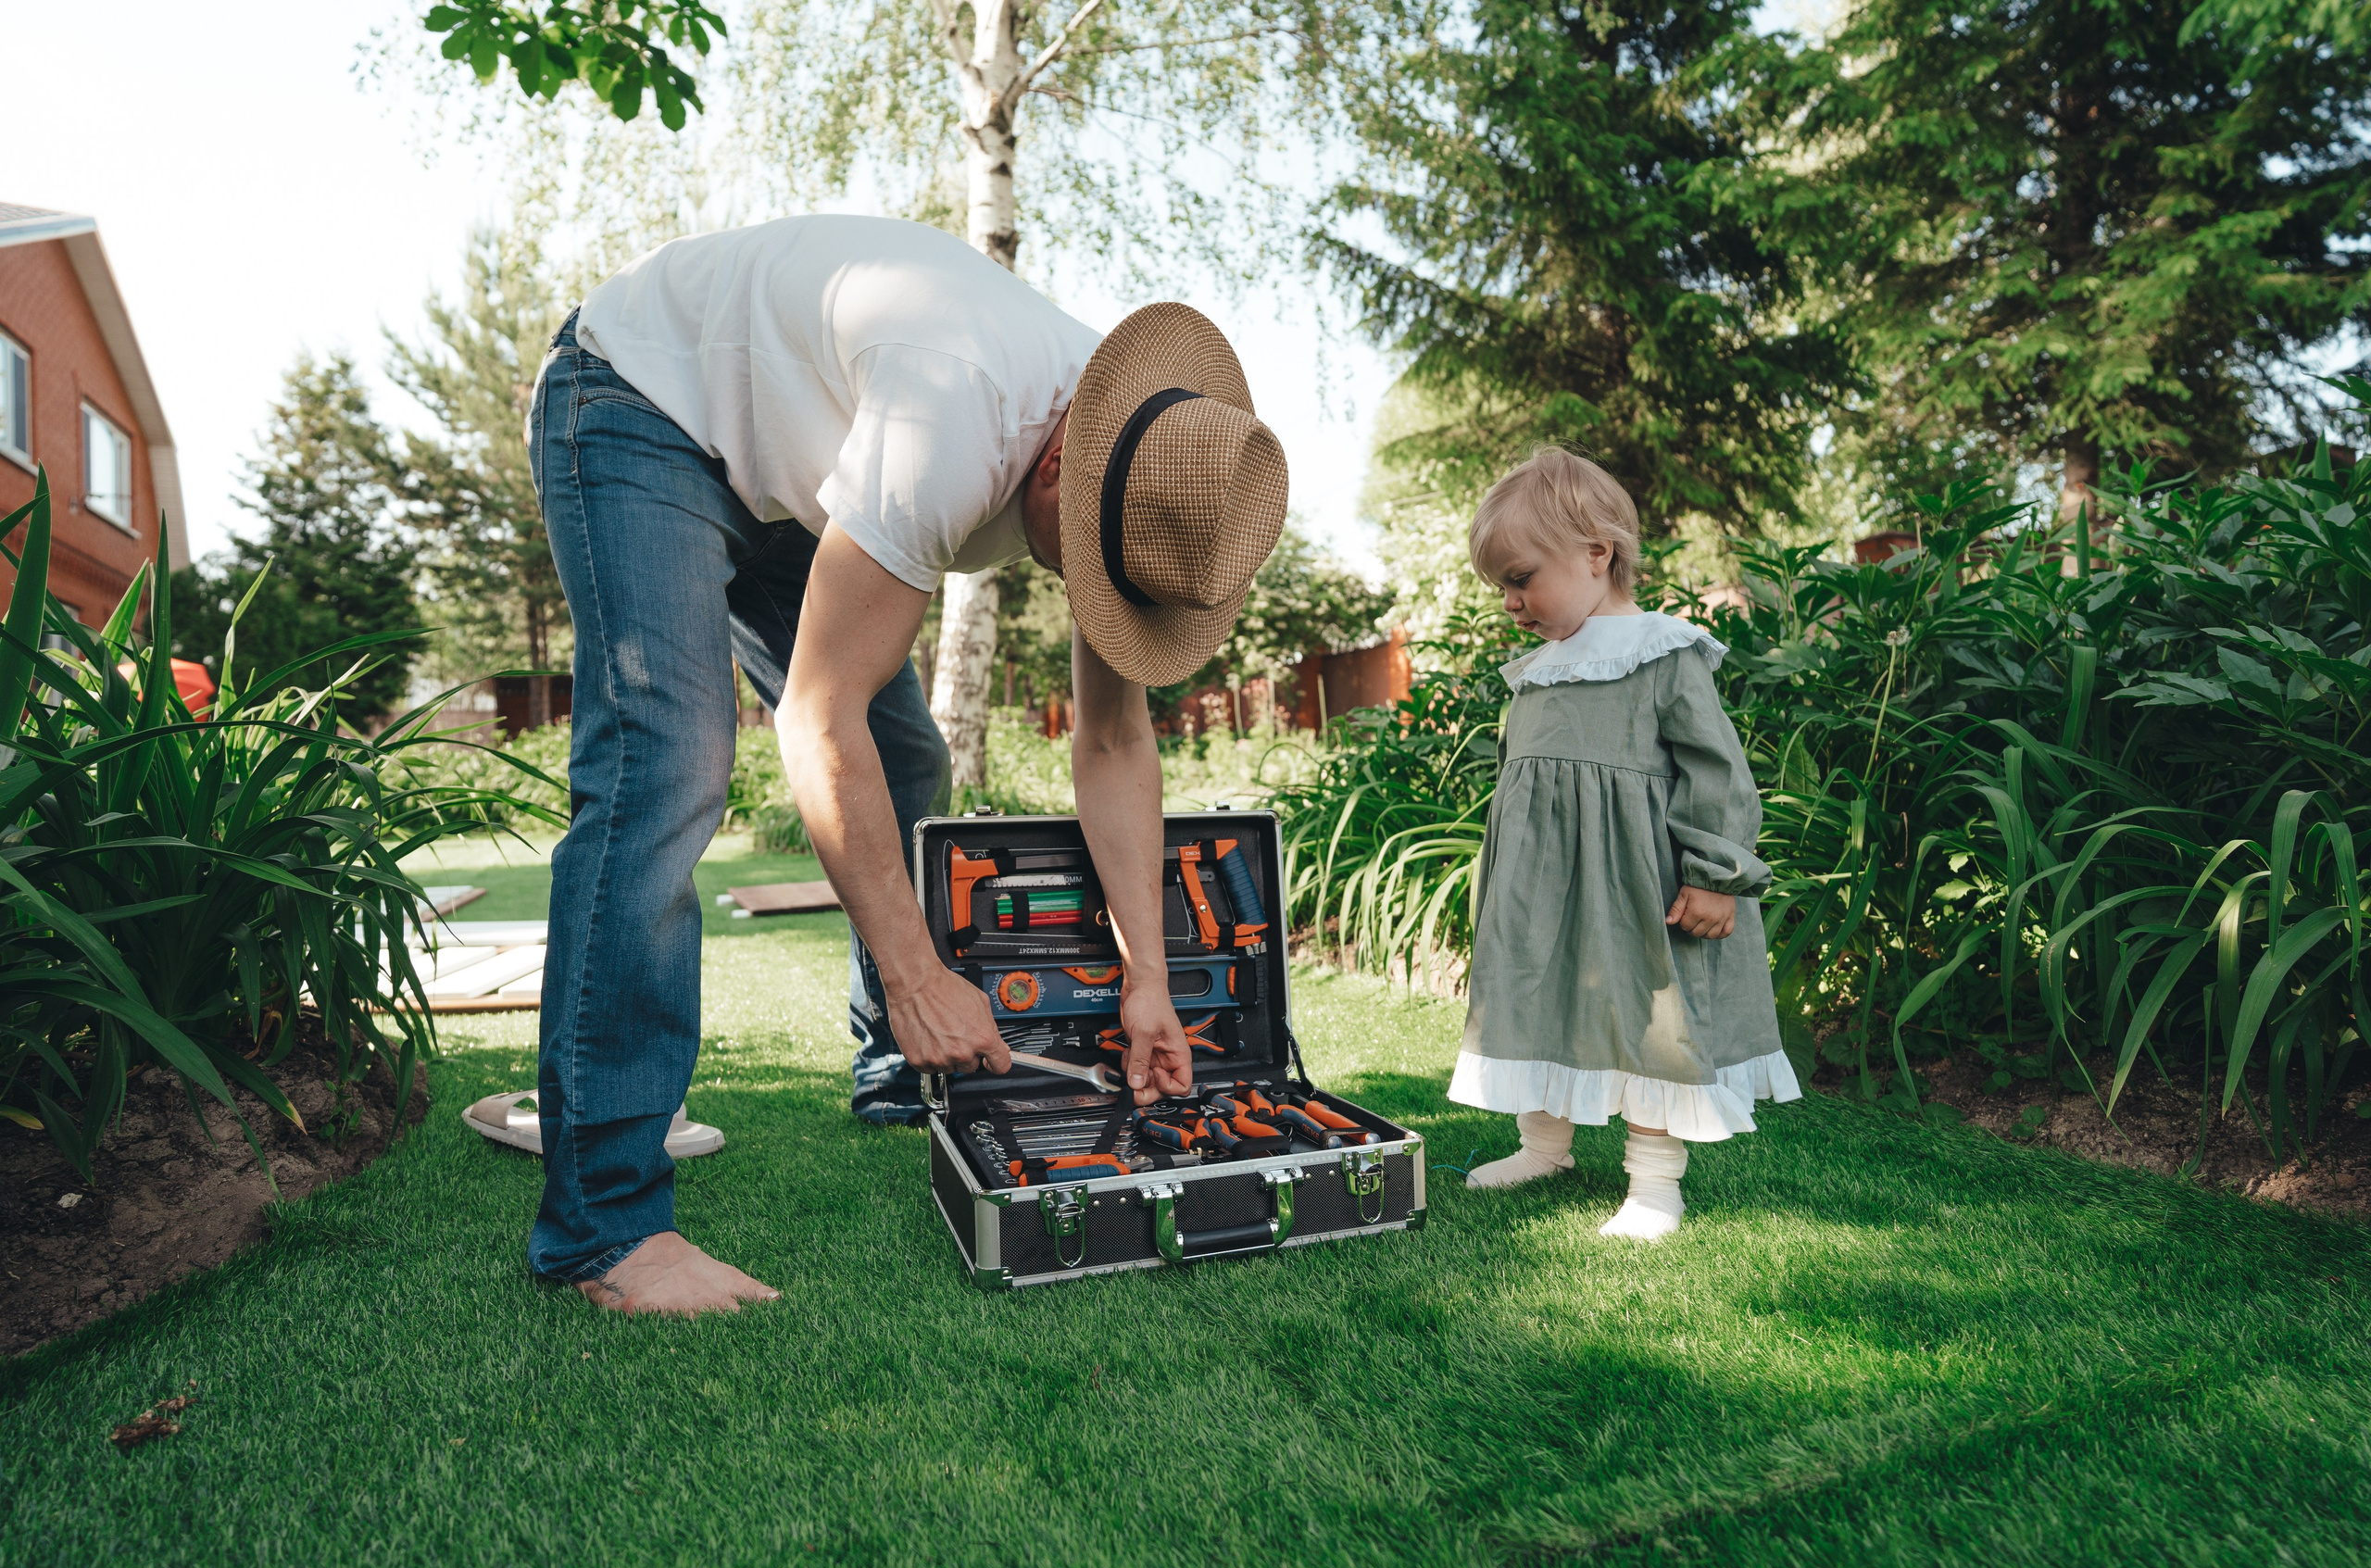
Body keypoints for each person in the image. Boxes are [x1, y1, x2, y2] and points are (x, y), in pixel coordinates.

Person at [505, 214, 1287, 1312]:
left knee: (908, 757)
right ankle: (606, 1230)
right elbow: (817, 719)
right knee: (665, 766)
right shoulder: (952, 424)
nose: (1086, 595)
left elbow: (1112, 743)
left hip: (793, 469)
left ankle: (893, 1065)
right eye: (1089, 572)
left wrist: (1149, 983)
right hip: (637, 402)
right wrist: (923, 973)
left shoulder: (1142, 461)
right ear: (1061, 462)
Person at [1449, 447, 1798, 1238]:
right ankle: (1543, 1145)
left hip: (1635, 886)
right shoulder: (1537, 672)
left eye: (1520, 577)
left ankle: (1654, 1181)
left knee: (1649, 1015)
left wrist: (1717, 873)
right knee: (1536, 993)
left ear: (1597, 554)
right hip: (1542, 891)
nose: (1509, 601)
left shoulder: (1663, 655)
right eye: (1500, 585)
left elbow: (1718, 772)